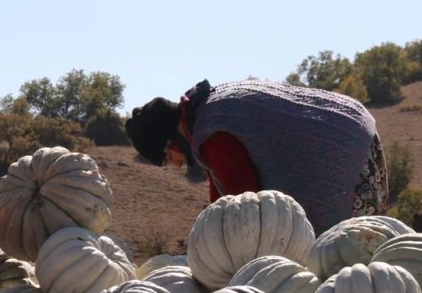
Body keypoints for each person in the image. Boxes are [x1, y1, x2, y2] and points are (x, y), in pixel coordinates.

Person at [125, 79, 388, 235]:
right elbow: (222, 196)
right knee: (359, 253)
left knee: (346, 254)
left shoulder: (213, 135)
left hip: (345, 156)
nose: (174, 164)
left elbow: (245, 204)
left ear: (172, 139)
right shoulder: (208, 113)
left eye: (167, 158)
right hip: (354, 130)